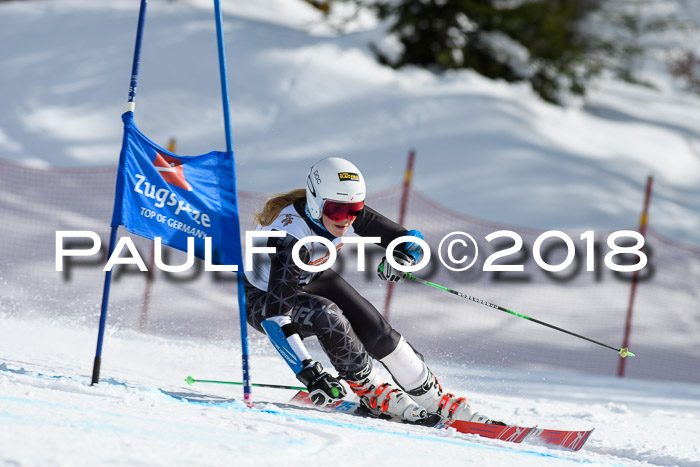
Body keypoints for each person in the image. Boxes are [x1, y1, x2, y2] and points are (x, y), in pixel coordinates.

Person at [243, 156, 495, 424]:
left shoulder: (343, 210)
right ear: (316, 202)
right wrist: (309, 374)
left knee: (378, 330)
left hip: (311, 275)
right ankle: (370, 390)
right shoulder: (289, 240)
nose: (347, 220)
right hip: (263, 298)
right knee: (328, 316)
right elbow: (275, 318)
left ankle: (435, 399)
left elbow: (409, 240)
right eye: (338, 212)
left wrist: (402, 258)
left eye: (354, 210)